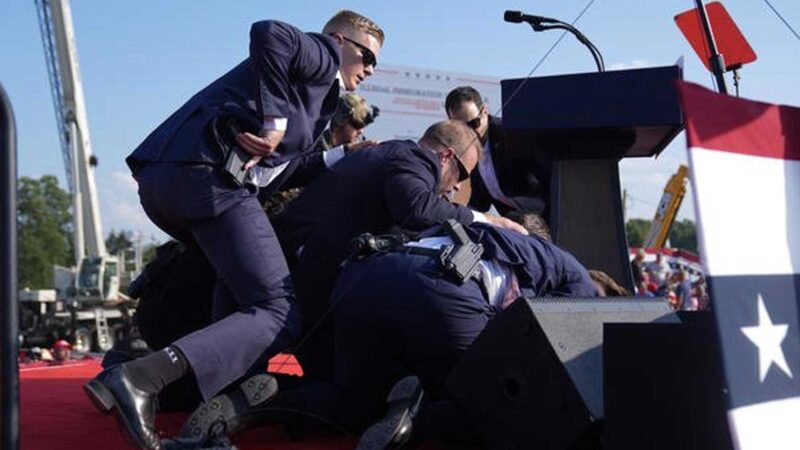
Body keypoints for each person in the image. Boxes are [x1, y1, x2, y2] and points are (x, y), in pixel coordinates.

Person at [83, 11, 385, 450]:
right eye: (367, 55)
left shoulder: (319, 97)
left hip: (171, 180)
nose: (371, 69)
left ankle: (174, 393)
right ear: (340, 41)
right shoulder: (321, 55)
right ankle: (138, 378)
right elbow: (270, 32)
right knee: (277, 308)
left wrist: (345, 155)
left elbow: (278, 170)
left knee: (239, 296)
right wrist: (275, 119)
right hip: (206, 178)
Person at [281, 222, 599, 448]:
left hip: (367, 275)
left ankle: (268, 405)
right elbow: (545, 343)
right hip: (445, 290)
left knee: (354, 401)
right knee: (489, 402)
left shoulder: (490, 236)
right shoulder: (579, 279)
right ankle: (419, 421)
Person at [271, 120, 528, 383]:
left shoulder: (394, 157)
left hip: (305, 272)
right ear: (446, 156)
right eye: (462, 174)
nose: (458, 187)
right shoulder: (415, 158)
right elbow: (417, 210)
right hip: (307, 273)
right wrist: (489, 220)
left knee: (302, 372)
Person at [263, 92, 380, 217]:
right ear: (341, 119)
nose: (360, 131)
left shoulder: (350, 158)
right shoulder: (311, 149)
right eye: (357, 125)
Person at [445, 86, 551, 218]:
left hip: (549, 215)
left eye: (474, 124)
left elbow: (549, 178)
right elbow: (480, 201)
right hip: (516, 223)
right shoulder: (466, 150)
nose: (469, 132)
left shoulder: (511, 135)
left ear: (484, 113)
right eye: (460, 127)